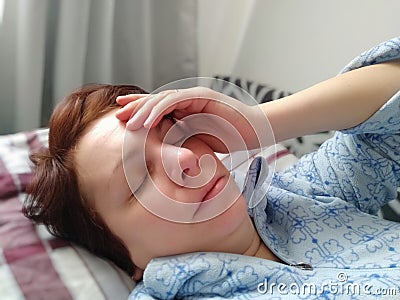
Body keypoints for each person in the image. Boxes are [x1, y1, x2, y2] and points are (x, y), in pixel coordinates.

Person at [24, 37, 400, 299]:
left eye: (177, 136)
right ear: (125, 257)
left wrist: (257, 123)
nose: (187, 159)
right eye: (139, 180)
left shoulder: (304, 192)